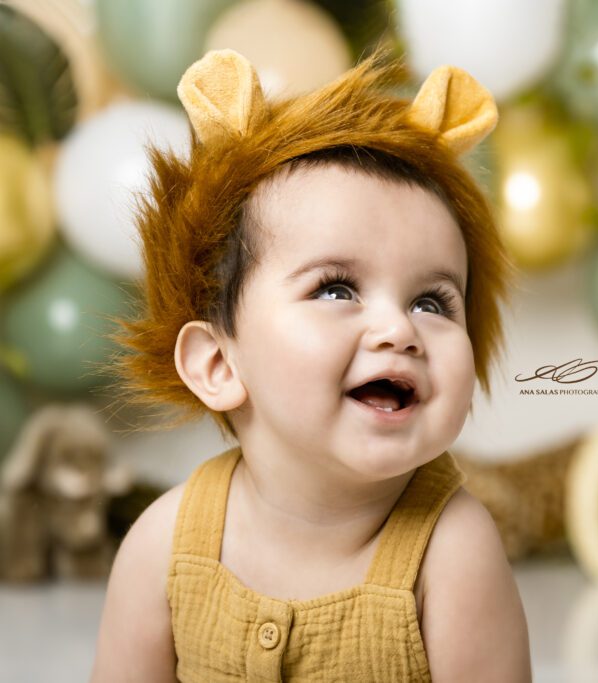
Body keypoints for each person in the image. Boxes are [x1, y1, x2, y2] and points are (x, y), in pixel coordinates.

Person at [89, 47, 530, 682]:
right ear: (217, 363)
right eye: (336, 289)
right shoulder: (165, 547)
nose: (399, 329)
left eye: (432, 301)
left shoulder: (453, 553)